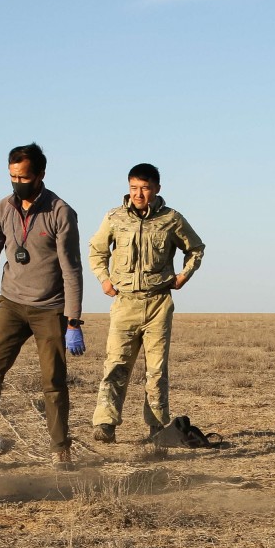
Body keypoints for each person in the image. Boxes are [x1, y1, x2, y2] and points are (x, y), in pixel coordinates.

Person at [0, 143, 84, 470]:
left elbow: (71, 269)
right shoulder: (1, 209)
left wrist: (74, 321)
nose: (17, 182)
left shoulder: (60, 212)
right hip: (11, 305)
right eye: (12, 176)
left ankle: (61, 450)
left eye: (23, 176)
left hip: (50, 308)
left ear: (40, 175)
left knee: (53, 381)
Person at [87, 163, 204, 443]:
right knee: (116, 365)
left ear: (157, 189)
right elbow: (96, 251)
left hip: (158, 303)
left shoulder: (171, 219)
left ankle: (157, 426)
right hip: (125, 303)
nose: (139, 194)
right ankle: (105, 424)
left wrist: (184, 276)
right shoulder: (114, 217)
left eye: (145, 188)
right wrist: (104, 280)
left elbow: (196, 249)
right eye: (134, 188)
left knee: (156, 369)